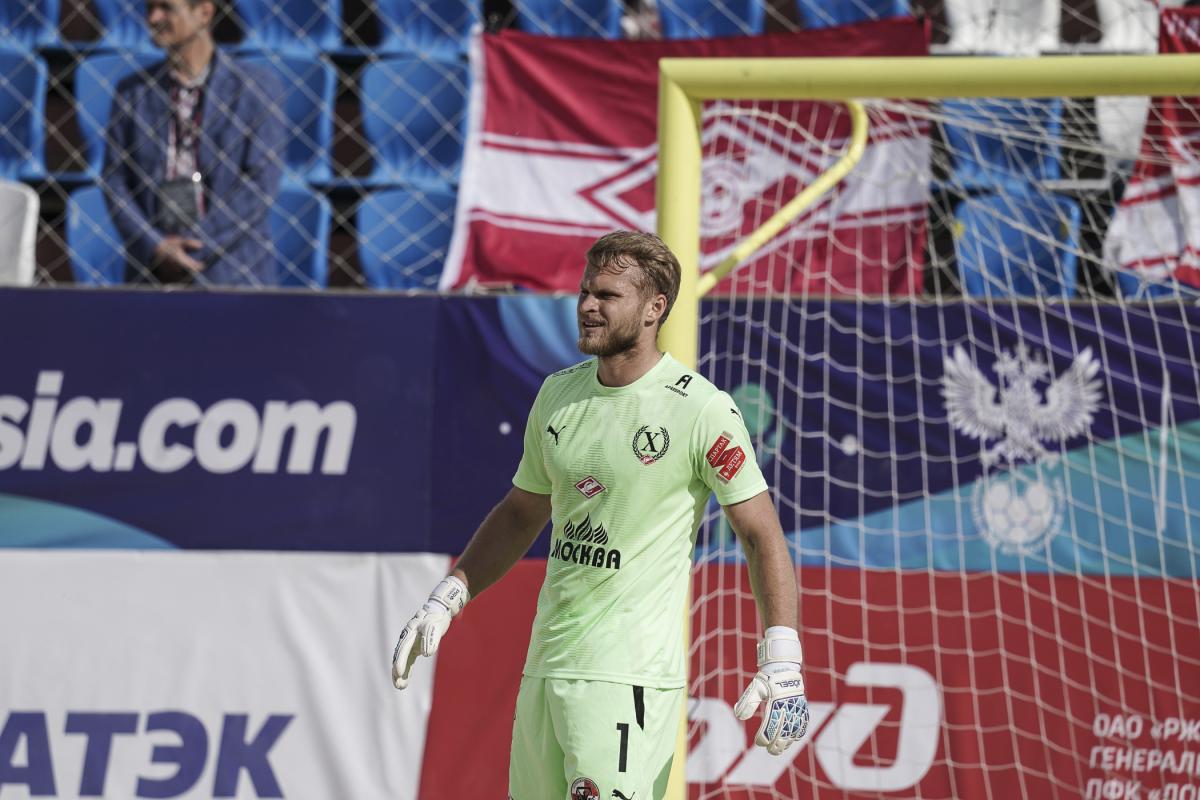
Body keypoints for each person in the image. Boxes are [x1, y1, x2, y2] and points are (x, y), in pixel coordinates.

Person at [392, 231, 810, 798]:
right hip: (546, 667)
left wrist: (782, 659)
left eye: (608, 295)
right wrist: (451, 593)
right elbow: (521, 512)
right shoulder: (557, 395)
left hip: (628, 678)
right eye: (586, 291)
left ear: (654, 308)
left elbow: (761, 534)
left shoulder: (702, 409)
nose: (588, 305)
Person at [101, 0, 284, 286]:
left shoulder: (256, 88)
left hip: (234, 270)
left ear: (204, 13)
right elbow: (115, 181)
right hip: (153, 271)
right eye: (149, 8)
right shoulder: (132, 92)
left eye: (166, 7)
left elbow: (260, 184)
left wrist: (195, 244)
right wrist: (156, 246)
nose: (153, 18)